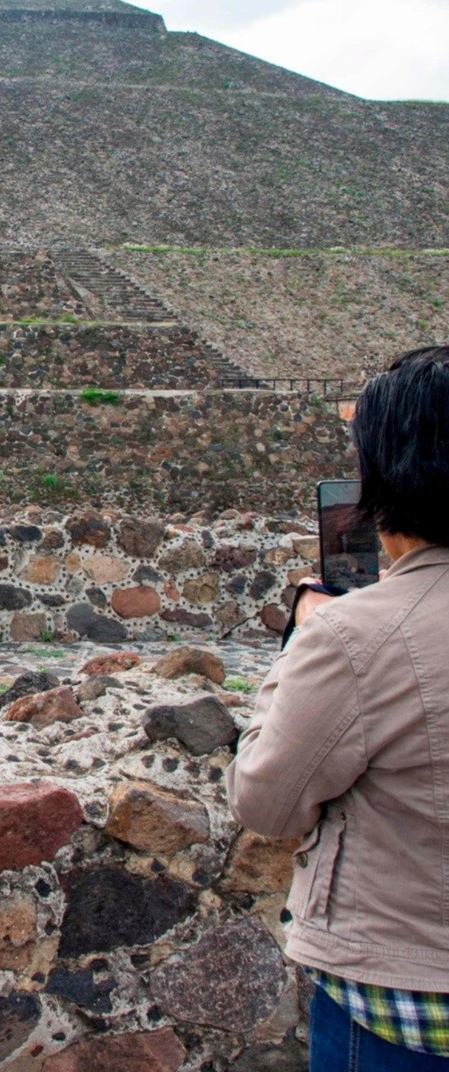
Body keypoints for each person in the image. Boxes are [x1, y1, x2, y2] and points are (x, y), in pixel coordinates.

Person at [227, 345, 449, 1071]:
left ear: (381, 475)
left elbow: (267, 800)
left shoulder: (357, 636)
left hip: (401, 1000)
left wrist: (307, 639)